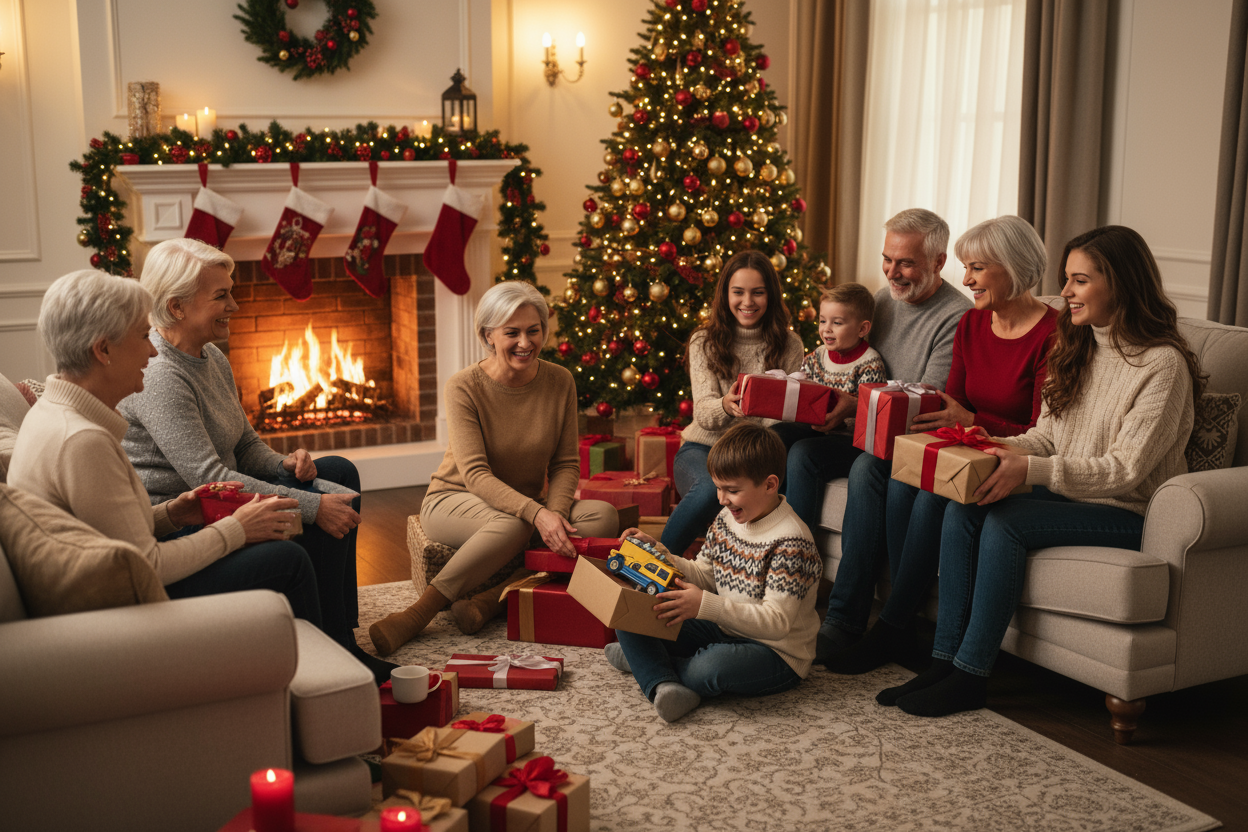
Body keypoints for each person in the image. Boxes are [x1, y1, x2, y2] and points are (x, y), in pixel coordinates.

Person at [878, 225, 1204, 717]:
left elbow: (1126, 470)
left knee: (1006, 523)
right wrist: (991, 446)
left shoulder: (1162, 365)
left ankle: (970, 675)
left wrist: (1031, 470)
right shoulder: (1079, 344)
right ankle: (942, 662)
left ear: (1119, 283)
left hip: (1127, 510)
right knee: (966, 507)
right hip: (1071, 495)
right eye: (1066, 279)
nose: (1065, 292)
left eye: (1079, 281)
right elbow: (1046, 435)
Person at [116, 238, 390, 681]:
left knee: (339, 471)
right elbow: (209, 478)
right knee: (321, 505)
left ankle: (341, 634)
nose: (235, 306)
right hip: (189, 519)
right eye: (221, 296)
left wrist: (285, 465)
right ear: (177, 307)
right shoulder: (161, 375)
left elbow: (244, 445)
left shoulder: (211, 356)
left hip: (223, 497)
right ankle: (331, 645)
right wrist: (312, 506)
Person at [8, 270, 320, 622]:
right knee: (286, 560)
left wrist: (175, 513)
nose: (153, 349)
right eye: (143, 336)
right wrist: (237, 529)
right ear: (103, 349)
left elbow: (108, 534)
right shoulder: (82, 441)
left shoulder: (52, 412)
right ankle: (331, 656)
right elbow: (147, 564)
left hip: (111, 582)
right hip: (113, 616)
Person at [824, 215, 1058, 673]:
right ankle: (892, 626)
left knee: (931, 496)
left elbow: (1040, 431)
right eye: (966, 268)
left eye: (977, 268)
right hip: (964, 446)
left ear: (1012, 267)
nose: (965, 280)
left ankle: (893, 627)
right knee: (890, 473)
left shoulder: (1053, 334)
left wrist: (972, 421)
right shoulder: (973, 323)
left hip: (1012, 456)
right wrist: (958, 423)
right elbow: (948, 405)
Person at [368, 280, 618, 655]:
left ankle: (493, 600)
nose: (525, 342)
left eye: (533, 331)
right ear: (488, 335)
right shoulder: (464, 386)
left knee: (602, 516)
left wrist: (554, 514)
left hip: (525, 505)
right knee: (515, 523)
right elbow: (475, 475)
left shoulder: (560, 381)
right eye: (511, 333)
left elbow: (566, 462)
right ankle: (420, 613)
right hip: (455, 499)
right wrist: (537, 515)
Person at [809, 208, 972, 661]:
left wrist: (855, 404)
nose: (892, 272)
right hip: (862, 429)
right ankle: (795, 588)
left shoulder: (957, 316)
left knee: (867, 469)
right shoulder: (881, 301)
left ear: (938, 262)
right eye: (887, 259)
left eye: (905, 263)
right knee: (801, 453)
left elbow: (926, 403)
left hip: (906, 439)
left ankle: (845, 620)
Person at [605, 422, 823, 723]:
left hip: (776, 652)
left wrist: (705, 605)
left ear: (770, 485)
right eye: (718, 488)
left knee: (707, 669)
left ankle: (649, 664)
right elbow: (705, 574)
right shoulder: (726, 518)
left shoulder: (791, 541)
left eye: (732, 490)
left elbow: (777, 623)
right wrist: (662, 554)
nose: (721, 499)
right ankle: (662, 682)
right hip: (724, 628)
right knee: (630, 611)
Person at [661, 250, 804, 560]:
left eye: (758, 292)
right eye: (738, 292)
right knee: (707, 492)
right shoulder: (704, 340)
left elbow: (785, 422)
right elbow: (703, 413)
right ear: (725, 294)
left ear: (771, 295)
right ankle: (652, 562)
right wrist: (726, 406)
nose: (747, 301)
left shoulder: (790, 343)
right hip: (702, 450)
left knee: (765, 494)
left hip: (755, 456)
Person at [771, 282, 887, 517]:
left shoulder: (870, 363)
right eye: (823, 321)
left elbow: (871, 416)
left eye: (837, 323)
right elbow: (802, 393)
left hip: (849, 440)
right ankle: (772, 511)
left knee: (803, 452)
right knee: (776, 435)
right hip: (816, 428)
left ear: (862, 329)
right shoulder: (816, 357)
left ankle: (798, 530)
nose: (826, 329)